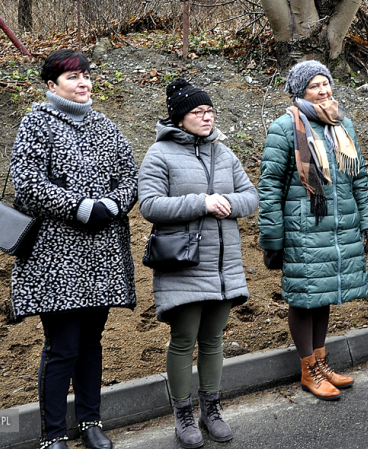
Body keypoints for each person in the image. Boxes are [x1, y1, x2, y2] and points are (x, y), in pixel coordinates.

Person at [9, 49, 138, 449]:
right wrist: (81, 208)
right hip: (55, 257)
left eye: (86, 76)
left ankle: (89, 422)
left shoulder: (105, 125)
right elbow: (27, 181)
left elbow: (130, 176)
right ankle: (52, 434)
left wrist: (113, 204)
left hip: (101, 257)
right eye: (72, 78)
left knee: (91, 343)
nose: (83, 83)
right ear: (52, 85)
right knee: (62, 347)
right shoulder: (37, 123)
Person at [138, 78, 258, 448]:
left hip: (223, 265)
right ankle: (183, 412)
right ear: (179, 118)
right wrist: (201, 202)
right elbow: (149, 205)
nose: (207, 117)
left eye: (209, 111)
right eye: (197, 112)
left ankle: (212, 407)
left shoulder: (224, 153)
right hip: (183, 263)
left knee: (213, 339)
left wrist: (226, 203)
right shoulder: (159, 155)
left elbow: (251, 198)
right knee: (183, 339)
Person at [258, 60, 368, 400]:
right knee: (304, 297)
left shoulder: (342, 125)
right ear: (300, 92)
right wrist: (273, 238)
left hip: (340, 227)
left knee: (323, 294)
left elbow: (359, 178)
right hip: (303, 229)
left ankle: (321, 363)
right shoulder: (284, 128)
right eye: (315, 86)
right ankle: (307, 368)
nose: (324, 91)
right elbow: (269, 187)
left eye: (326, 84)